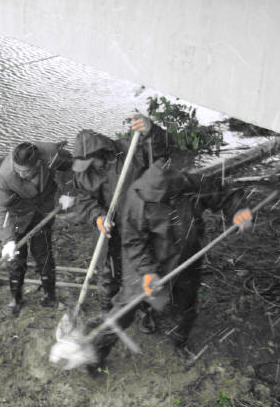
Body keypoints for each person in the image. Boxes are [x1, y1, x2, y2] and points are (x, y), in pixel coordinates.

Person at [86, 156, 253, 374]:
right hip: (145, 260)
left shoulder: (190, 184)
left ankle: (179, 341)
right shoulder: (137, 198)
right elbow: (133, 241)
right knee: (125, 309)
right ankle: (95, 353)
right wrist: (147, 273)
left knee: (186, 304)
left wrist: (239, 210)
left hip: (186, 255)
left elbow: (224, 193)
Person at [66, 115, 164, 331]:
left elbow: (160, 151)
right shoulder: (83, 174)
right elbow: (84, 199)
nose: (89, 168)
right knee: (107, 273)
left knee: (140, 267)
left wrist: (152, 131)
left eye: (91, 163)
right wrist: (97, 216)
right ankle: (107, 313)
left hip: (136, 224)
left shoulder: (130, 151)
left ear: (100, 153)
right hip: (107, 229)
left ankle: (144, 310)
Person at [0, 140, 72, 315]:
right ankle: (16, 299)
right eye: (18, 170)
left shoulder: (51, 154)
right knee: (15, 259)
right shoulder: (6, 174)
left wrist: (67, 193)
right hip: (18, 215)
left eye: (26, 171)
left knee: (43, 254)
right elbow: (1, 207)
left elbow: (71, 167)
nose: (21, 174)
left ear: (38, 163)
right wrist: (8, 241)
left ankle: (50, 297)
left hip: (43, 211)